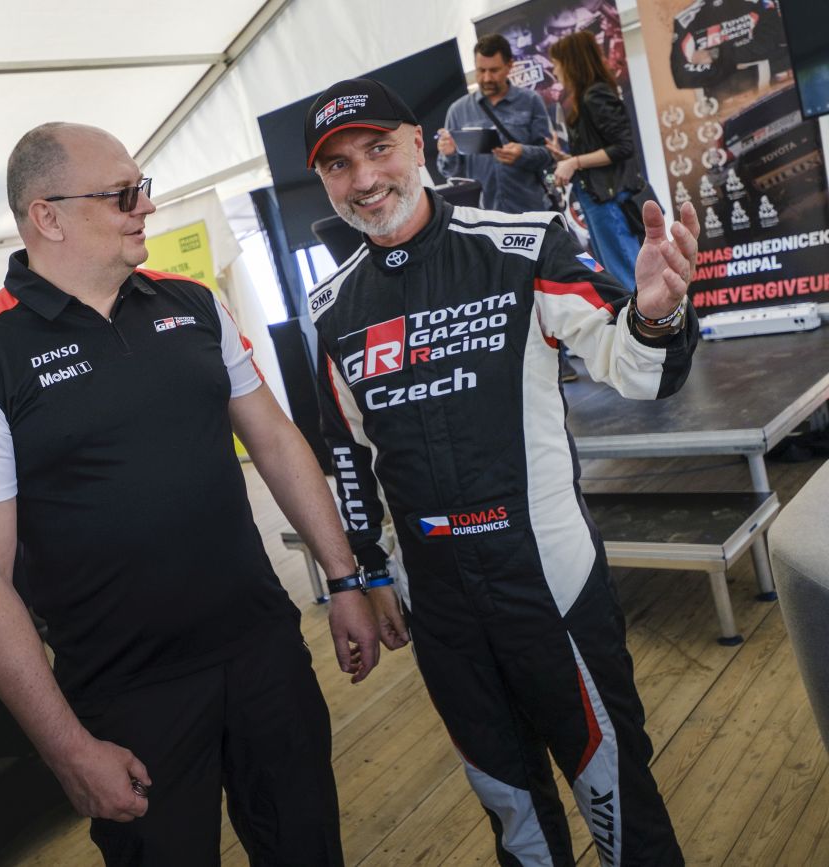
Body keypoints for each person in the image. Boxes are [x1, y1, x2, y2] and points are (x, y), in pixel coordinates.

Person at [0, 122, 404, 867]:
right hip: (126, 698)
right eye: (123, 194)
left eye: (141, 188)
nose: (145, 206)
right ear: (47, 216)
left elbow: (276, 441)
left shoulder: (195, 303)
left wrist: (344, 578)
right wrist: (66, 748)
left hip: (264, 652)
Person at [303, 77, 699, 865]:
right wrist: (368, 571)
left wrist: (655, 312)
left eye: (378, 149)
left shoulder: (521, 242)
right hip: (438, 603)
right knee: (513, 816)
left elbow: (634, 368)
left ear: (420, 144)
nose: (365, 178)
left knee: (617, 797)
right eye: (338, 165)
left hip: (548, 580)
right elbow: (347, 454)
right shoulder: (330, 308)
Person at [548, 30, 650, 291]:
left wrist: (574, 162)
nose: (555, 71)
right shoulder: (585, 98)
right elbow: (602, 149)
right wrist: (568, 159)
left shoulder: (596, 95)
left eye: (557, 64)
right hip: (599, 199)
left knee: (627, 276)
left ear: (570, 63)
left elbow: (623, 147)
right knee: (616, 274)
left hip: (611, 202)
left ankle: (642, 319)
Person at [436, 33, 555, 212]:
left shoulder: (531, 101)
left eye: (494, 70)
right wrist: (449, 153)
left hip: (531, 209)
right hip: (485, 216)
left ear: (509, 66)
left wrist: (523, 153)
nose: (486, 78)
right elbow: (448, 172)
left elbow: (549, 156)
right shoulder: (458, 110)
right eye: (481, 70)